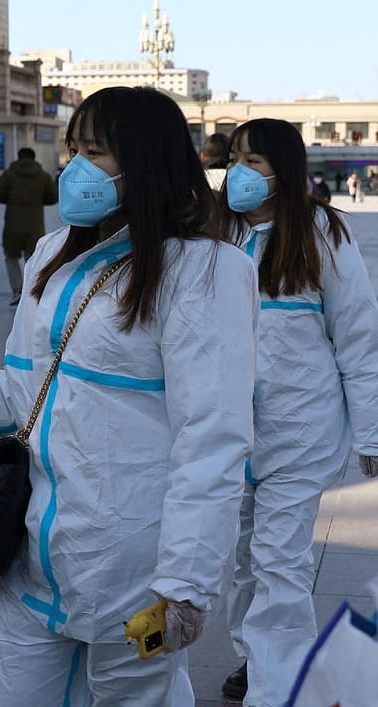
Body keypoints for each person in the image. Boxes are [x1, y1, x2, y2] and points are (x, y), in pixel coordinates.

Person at [0, 86, 258, 705]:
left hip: (136, 572)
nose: (76, 166)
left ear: (148, 163)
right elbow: (26, 384)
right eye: (73, 148)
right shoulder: (53, 253)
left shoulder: (206, 271)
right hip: (28, 552)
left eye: (97, 152)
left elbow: (212, 438)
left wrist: (185, 580)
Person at [214, 118, 378, 707]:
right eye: (234, 158)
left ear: (284, 170)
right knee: (238, 557)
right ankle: (253, 658)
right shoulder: (216, 233)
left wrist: (373, 430)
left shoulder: (320, 232)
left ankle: (279, 687)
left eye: (254, 161)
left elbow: (358, 335)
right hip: (229, 432)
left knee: (278, 559)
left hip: (301, 429)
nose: (240, 172)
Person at [0, 147, 58, 306]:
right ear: (34, 158)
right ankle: (33, 290)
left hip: (13, 223)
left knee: (11, 257)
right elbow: (53, 197)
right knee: (33, 258)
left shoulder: (9, 174)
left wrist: (11, 200)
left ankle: (17, 290)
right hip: (35, 224)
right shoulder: (43, 176)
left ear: (19, 157)